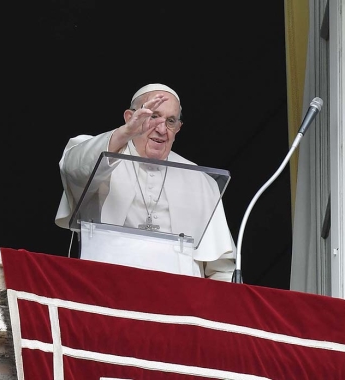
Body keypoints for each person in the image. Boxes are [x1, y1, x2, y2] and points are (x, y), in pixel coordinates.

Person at [55, 83, 236, 281]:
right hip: (106, 286)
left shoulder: (200, 181)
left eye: (170, 121)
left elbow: (222, 269)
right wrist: (124, 133)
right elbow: (74, 169)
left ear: (178, 128)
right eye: (153, 116)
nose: (161, 129)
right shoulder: (102, 154)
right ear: (129, 118)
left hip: (180, 300)